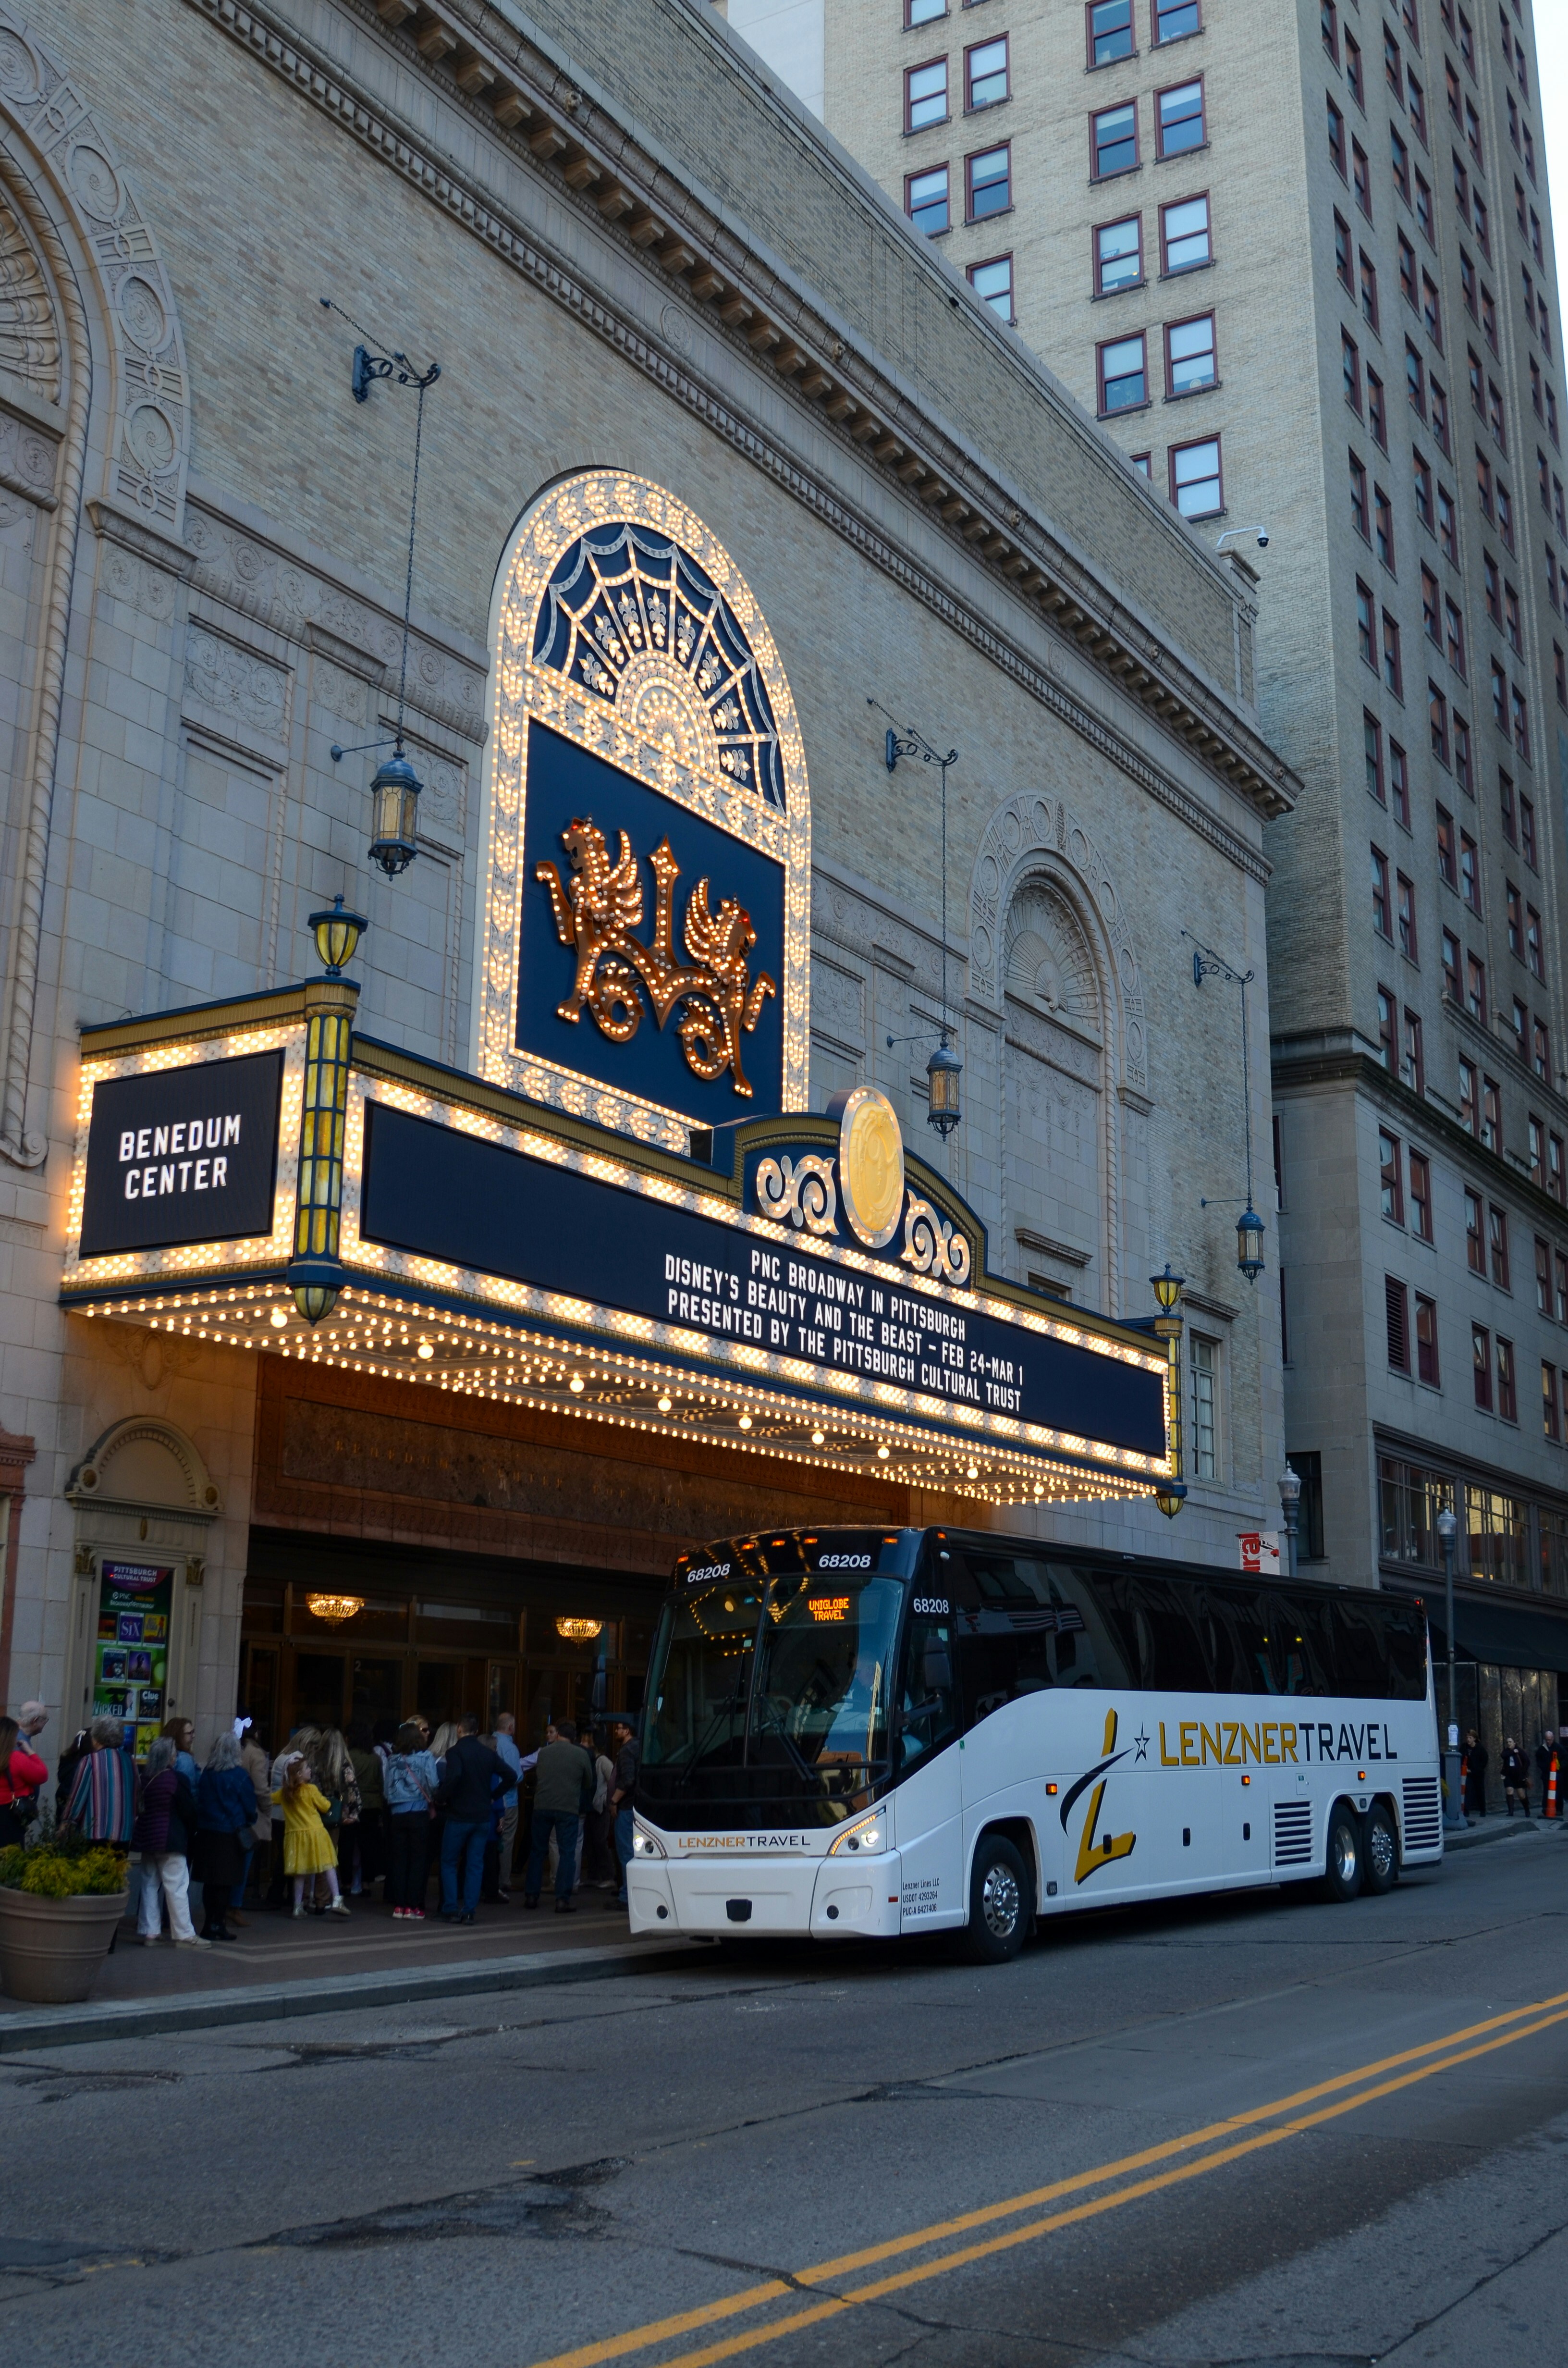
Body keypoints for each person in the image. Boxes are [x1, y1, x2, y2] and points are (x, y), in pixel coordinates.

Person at [130, 1737, 206, 1948]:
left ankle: (150, 1932)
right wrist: (193, 1831)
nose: (176, 1756)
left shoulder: (145, 1778)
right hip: (170, 1837)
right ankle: (184, 1934)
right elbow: (187, 1810)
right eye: (174, 1752)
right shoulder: (176, 1779)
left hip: (147, 1837)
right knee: (177, 1886)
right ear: (169, 1756)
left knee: (149, 1885)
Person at [436, 1713, 507, 1924]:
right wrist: (493, 1795)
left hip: (459, 1815)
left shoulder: (455, 1752)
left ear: (459, 1729)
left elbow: (454, 1776)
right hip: (482, 1816)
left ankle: (450, 1908)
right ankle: (469, 1911)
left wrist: (441, 1797)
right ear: (477, 1731)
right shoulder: (488, 1754)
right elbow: (511, 1775)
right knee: (475, 1864)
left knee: (449, 1861)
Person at [525, 1718, 595, 1913]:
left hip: (542, 1806)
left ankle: (531, 1895)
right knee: (567, 1853)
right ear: (574, 1738)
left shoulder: (544, 1753)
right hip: (568, 1808)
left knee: (538, 1851)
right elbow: (588, 1782)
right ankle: (562, 1899)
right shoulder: (581, 1754)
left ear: (557, 1735)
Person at [193, 1732, 257, 1942]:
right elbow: (250, 1807)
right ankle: (217, 1924)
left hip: (207, 1832)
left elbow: (200, 1801)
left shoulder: (208, 1774)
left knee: (210, 1883)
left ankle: (209, 1923)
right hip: (229, 1833)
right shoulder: (239, 1776)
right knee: (224, 1883)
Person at [273, 1754, 348, 1918]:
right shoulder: (311, 1790)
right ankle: (337, 1899)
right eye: (307, 1768)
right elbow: (325, 1806)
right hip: (316, 1834)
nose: (310, 1771)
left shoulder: (285, 1794)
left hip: (295, 1838)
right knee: (328, 1865)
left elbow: (270, 1799)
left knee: (300, 1873)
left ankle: (298, 1907)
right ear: (299, 1774)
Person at [383, 1720, 439, 1921]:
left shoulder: (392, 1760)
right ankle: (413, 1907)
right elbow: (433, 1784)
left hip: (397, 1814)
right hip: (418, 1812)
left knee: (399, 1860)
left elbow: (386, 1788)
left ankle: (399, 1906)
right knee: (417, 1861)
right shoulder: (427, 1757)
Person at [60, 1716, 138, 1842]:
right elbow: (136, 1794)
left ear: (96, 1738)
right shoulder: (130, 1761)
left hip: (95, 1833)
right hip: (124, 1833)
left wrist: (67, 1821)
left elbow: (78, 1796)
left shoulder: (91, 1760)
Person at [235, 1721, 272, 1920]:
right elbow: (260, 1786)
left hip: (236, 1810)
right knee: (245, 1859)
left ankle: (232, 1905)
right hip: (252, 1813)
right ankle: (235, 1905)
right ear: (256, 1734)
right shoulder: (256, 1754)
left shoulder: (238, 1749)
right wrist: (267, 1807)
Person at [346, 1721, 385, 1897]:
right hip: (372, 1804)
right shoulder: (375, 1758)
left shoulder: (348, 1757)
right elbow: (380, 1783)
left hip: (351, 1803)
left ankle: (346, 1882)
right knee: (368, 1846)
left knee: (347, 1845)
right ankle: (366, 1884)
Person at [0, 1715, 49, 1848]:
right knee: (11, 1857)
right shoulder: (16, 1759)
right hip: (10, 1814)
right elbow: (42, 1775)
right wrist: (30, 1751)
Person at [609, 1715, 640, 1907]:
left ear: (627, 1731)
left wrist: (614, 1801)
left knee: (626, 1853)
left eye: (619, 1729)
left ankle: (627, 1896)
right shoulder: (639, 1747)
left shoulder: (628, 1751)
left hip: (626, 1808)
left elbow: (628, 1779)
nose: (616, 1732)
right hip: (635, 1806)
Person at [492, 1712, 523, 1900]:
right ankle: (504, 1880)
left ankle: (489, 1878)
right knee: (506, 1840)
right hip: (508, 1801)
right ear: (510, 1727)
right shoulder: (510, 1748)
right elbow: (515, 1776)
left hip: (490, 1799)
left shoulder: (489, 1741)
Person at [581, 1727, 616, 1887]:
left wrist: (607, 1802)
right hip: (590, 1807)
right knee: (591, 1843)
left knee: (600, 1842)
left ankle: (609, 1876)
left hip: (600, 1807)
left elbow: (612, 1781)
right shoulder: (587, 1760)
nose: (581, 1744)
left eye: (585, 1741)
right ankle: (593, 1875)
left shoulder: (602, 1761)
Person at [160, 1717, 200, 1790]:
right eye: (190, 1733)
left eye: (193, 1732)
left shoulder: (160, 1755)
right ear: (179, 1735)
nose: (194, 1736)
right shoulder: (185, 1760)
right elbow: (189, 1790)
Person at [1462, 1727, 1489, 1819]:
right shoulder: (1464, 1747)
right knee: (1468, 1790)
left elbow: (1484, 1760)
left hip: (1478, 1773)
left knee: (1480, 1791)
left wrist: (1475, 1769)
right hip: (1467, 1773)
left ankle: (1483, 1810)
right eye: (1467, 1738)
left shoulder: (1480, 1748)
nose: (1468, 1740)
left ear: (1474, 1739)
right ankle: (1466, 1811)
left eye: (1470, 1738)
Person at [1502, 1736, 1530, 1817]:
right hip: (1509, 1775)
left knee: (1521, 1795)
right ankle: (1511, 1811)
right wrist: (1513, 1752)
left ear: (1514, 1743)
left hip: (1518, 1776)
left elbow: (1527, 1761)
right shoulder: (1507, 1752)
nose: (1509, 1744)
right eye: (1507, 1742)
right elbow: (1503, 1755)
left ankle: (1527, 1809)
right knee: (1509, 1791)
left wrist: (1523, 1772)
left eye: (1510, 1742)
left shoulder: (1520, 1751)